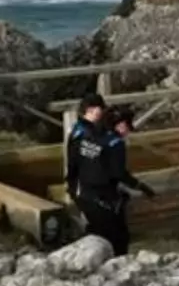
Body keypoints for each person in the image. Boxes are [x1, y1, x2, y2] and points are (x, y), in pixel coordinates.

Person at [65, 93, 156, 256]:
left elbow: (76, 163)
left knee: (98, 234)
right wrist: (141, 186)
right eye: (127, 126)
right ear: (120, 125)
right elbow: (118, 172)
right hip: (101, 196)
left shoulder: (82, 135)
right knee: (118, 238)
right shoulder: (114, 143)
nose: (128, 131)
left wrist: (72, 188)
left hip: (84, 192)